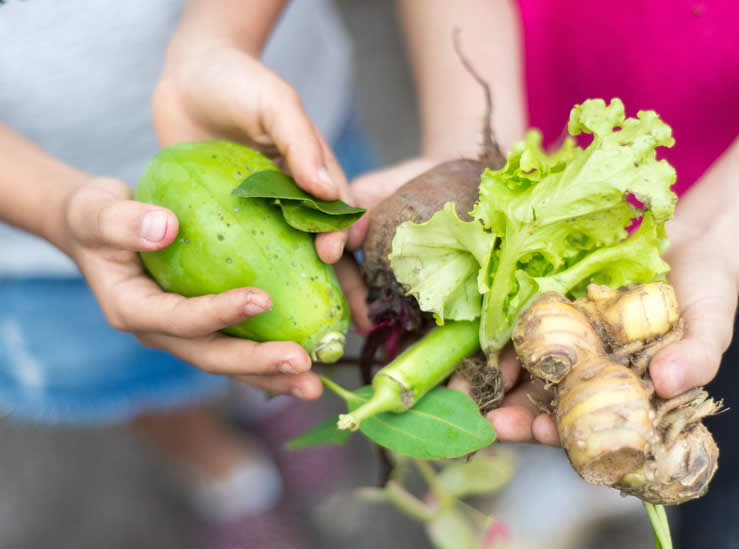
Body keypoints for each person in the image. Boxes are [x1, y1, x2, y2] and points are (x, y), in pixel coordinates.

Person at [344, 1, 738, 547]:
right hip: (536, 76)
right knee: (542, 402)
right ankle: (567, 474)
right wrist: (466, 155)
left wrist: (723, 227)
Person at [0, 1, 374, 547]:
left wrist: (220, 39)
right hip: (38, 223)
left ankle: (270, 403)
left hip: (257, 119)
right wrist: (54, 209)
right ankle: (224, 476)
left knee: (252, 330)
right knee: (143, 378)